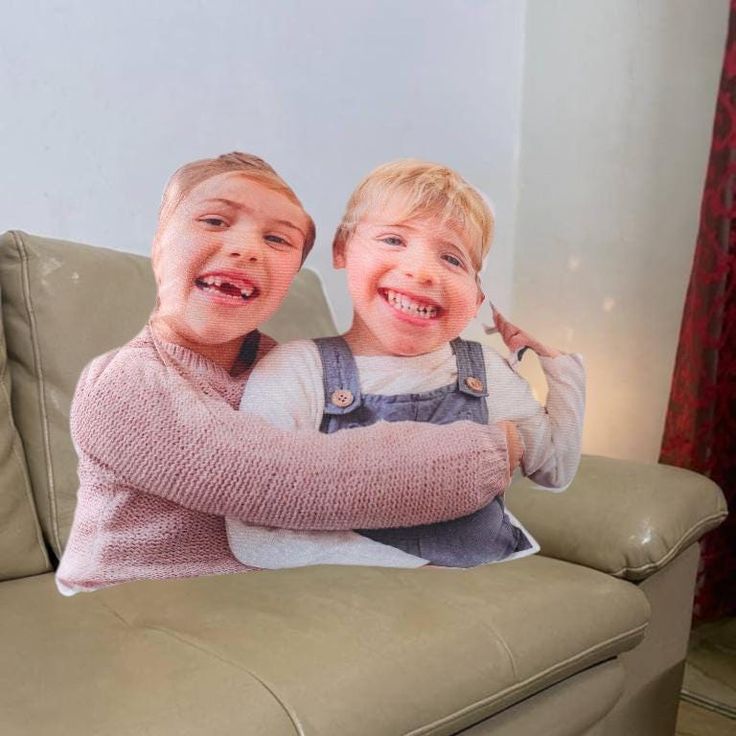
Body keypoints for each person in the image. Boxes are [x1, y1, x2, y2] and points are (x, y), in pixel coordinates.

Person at [55, 152, 521, 595]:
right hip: (128, 606)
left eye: (277, 240)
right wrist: (489, 453)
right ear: (159, 243)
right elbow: (283, 481)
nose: (245, 249)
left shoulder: (288, 370)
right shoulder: (123, 383)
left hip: (261, 596)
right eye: (215, 220)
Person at [226, 159, 586, 569]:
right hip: (360, 600)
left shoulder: (485, 372)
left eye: (452, 259)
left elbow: (554, 470)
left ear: (475, 299)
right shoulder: (296, 369)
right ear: (341, 248)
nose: (422, 271)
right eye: (394, 240)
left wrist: (559, 367)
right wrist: (402, 568)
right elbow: (251, 531)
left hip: (489, 592)